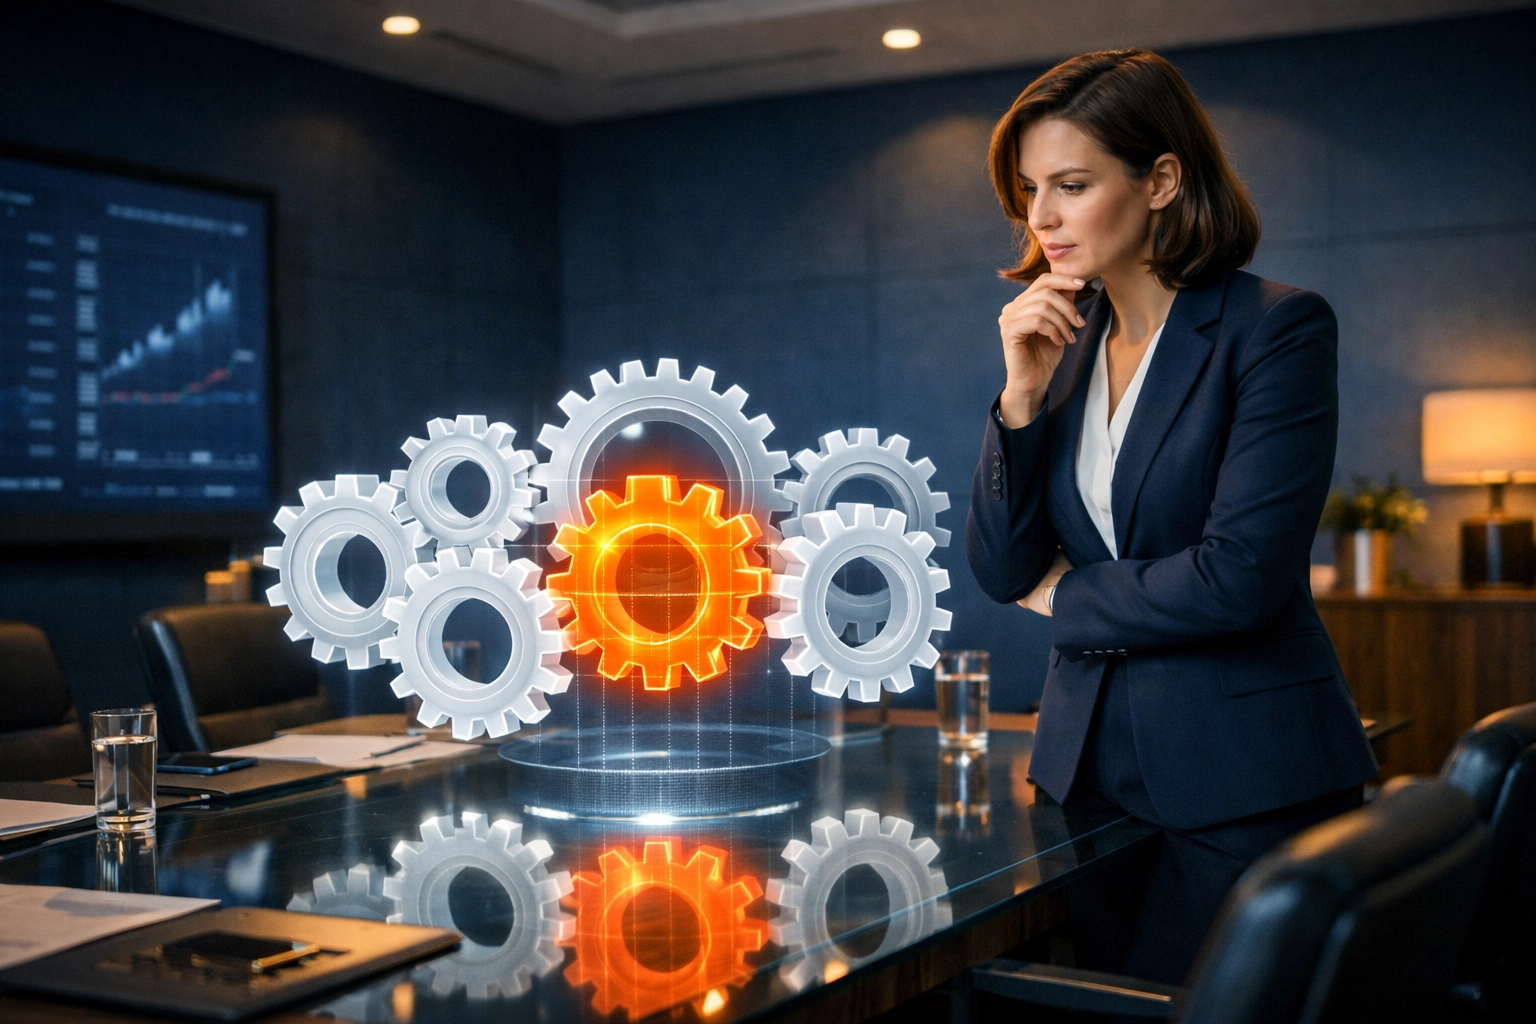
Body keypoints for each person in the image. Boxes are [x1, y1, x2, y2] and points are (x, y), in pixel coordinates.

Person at [966, 49, 1378, 985]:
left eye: (1072, 184)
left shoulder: (1274, 328)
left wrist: (1065, 601)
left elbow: (1241, 577)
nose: (1042, 219)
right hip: (1087, 780)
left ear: (1161, 179)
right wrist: (1019, 400)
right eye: (1030, 190)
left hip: (1244, 777)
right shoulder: (1058, 349)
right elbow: (1001, 569)